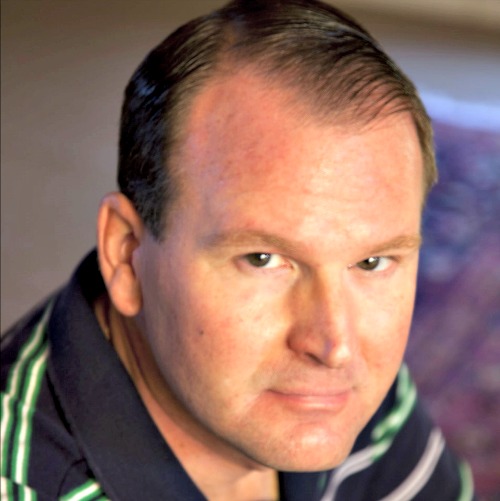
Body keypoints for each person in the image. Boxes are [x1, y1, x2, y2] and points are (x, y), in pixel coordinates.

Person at [1, 0, 476, 499]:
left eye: (372, 261)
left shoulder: (334, 384)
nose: (334, 345)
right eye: (262, 259)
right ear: (126, 255)